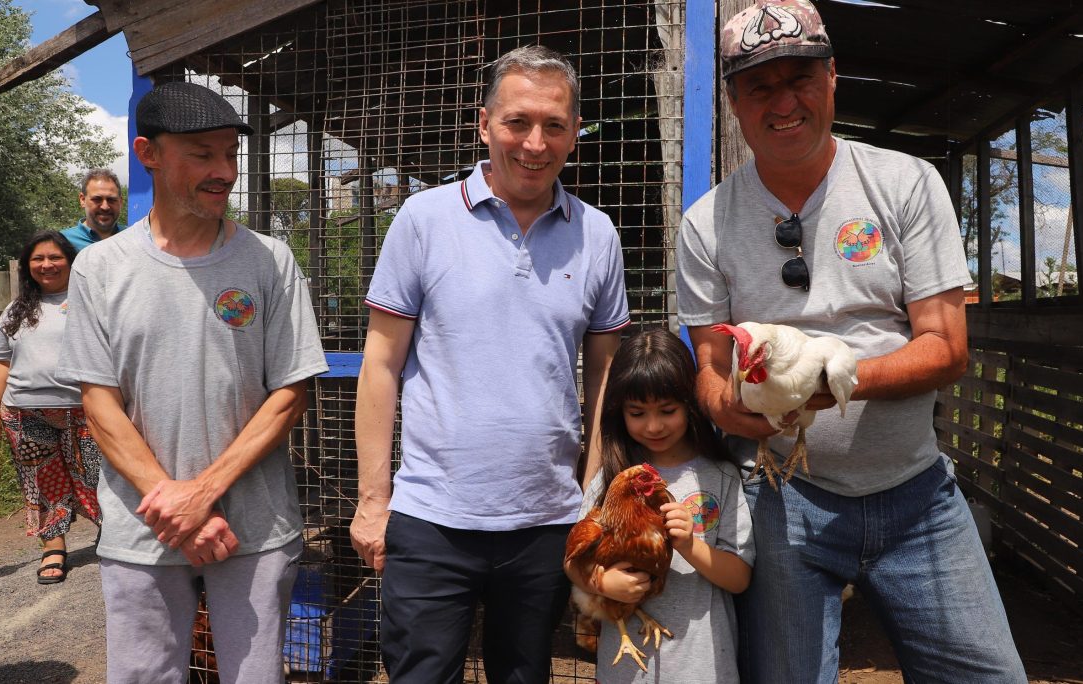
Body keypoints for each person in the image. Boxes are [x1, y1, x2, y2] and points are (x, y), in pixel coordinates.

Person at [675, 1, 1027, 682]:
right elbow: (710, 371)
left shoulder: (903, 183)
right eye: (760, 85)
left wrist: (830, 379)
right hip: (782, 499)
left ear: (833, 77)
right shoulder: (706, 224)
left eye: (799, 77)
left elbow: (947, 347)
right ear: (734, 101)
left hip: (917, 495)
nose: (783, 101)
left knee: (990, 675)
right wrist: (727, 408)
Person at [350, 45, 631, 682]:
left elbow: (605, 376)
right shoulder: (424, 219)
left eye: (555, 125)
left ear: (575, 135)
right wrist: (374, 502)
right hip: (431, 518)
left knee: (525, 675)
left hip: (547, 520)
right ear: (484, 125)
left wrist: (593, 499)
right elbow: (380, 364)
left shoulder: (598, 234)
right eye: (517, 122)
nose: (535, 142)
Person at [57, 81, 328, 682]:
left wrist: (201, 493)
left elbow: (289, 396)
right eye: (202, 154)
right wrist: (175, 505)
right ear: (147, 153)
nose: (224, 171)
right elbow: (99, 405)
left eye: (230, 154)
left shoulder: (269, 260)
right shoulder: (100, 268)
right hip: (141, 530)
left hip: (253, 527)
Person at [566, 328, 754, 683]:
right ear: (619, 412)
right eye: (637, 413)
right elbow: (574, 561)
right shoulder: (610, 480)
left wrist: (689, 544)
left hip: (702, 665)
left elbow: (740, 577)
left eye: (667, 410)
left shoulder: (720, 477)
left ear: (690, 404)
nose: (653, 426)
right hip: (627, 668)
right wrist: (601, 583)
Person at [0, 231, 102, 585]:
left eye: (55, 258)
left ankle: (113, 536)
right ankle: (54, 548)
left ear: (70, 261)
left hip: (84, 409)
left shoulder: (90, 302)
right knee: (41, 482)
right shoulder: (17, 309)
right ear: (27, 266)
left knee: (98, 479)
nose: (47, 265)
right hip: (25, 411)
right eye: (38, 259)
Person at [61, 168, 125, 252]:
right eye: (97, 199)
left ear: (120, 202)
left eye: (111, 200)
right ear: (82, 200)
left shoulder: (133, 238)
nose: (105, 207)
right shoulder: (63, 241)